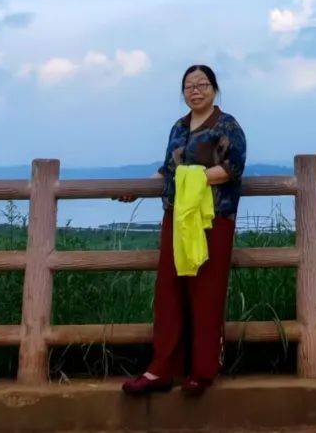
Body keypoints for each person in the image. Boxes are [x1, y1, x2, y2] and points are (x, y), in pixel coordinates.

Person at [118, 64, 246, 396]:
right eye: (189, 86)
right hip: (177, 216)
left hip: (213, 217)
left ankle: (202, 372)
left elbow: (232, 168)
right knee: (169, 291)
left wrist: (193, 177)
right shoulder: (178, 127)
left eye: (202, 84)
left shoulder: (227, 125)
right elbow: (168, 170)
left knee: (207, 291)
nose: (195, 91)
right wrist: (137, 189)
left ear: (214, 89)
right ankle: (161, 369)